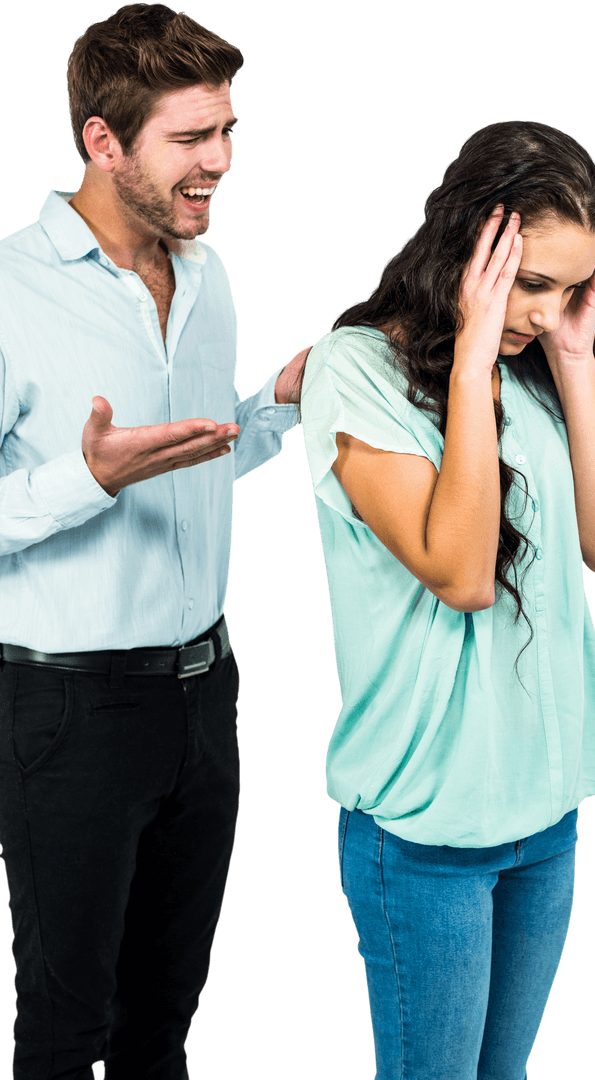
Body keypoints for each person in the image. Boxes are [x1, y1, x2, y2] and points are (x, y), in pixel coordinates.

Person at [0, 4, 309, 1078]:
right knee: (63, 1032)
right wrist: (87, 476)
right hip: (67, 714)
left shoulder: (206, 274)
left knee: (161, 1031)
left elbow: (197, 457)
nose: (218, 162)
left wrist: (275, 401)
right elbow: (109, 472)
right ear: (103, 140)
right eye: (190, 139)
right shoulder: (9, 291)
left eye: (226, 131)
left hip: (205, 698)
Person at [298, 120, 595, 1079]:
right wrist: (472, 354)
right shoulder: (354, 370)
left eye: (576, 287)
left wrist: (571, 363)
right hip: (427, 825)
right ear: (468, 251)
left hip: (544, 809)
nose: (548, 309)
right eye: (532, 284)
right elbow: (460, 572)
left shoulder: (535, 369)